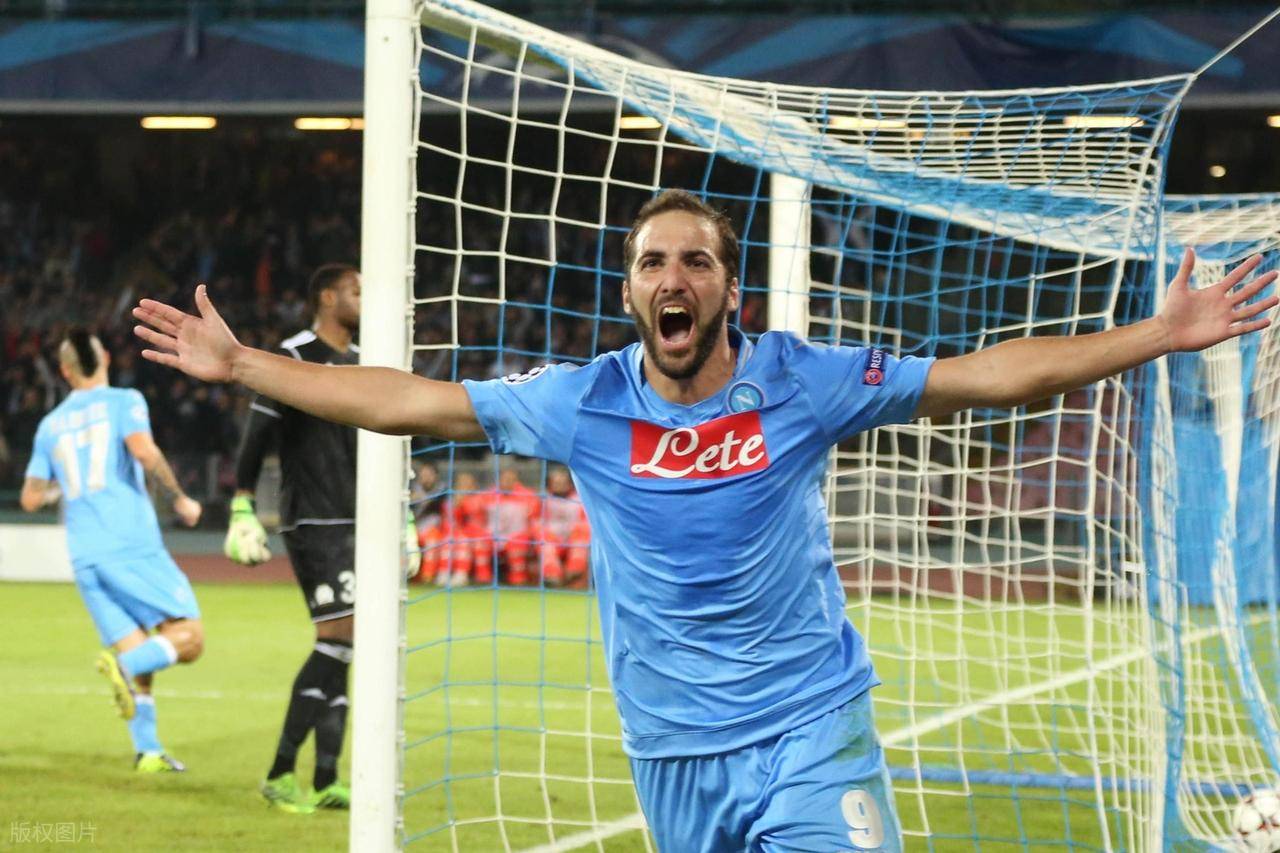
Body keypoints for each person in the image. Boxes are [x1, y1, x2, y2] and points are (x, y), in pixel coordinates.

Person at [132, 189, 1277, 850]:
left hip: (807, 724)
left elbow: (982, 377)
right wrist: (245, 366)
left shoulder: (802, 380)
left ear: (728, 287)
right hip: (671, 749)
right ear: (631, 290)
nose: (670, 276)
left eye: (693, 260)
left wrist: (1157, 333)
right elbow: (405, 401)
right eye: (650, 263)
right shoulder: (582, 401)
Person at [20, 328, 204, 774]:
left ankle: (149, 751)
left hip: (85, 556)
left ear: (65, 372)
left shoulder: (50, 425)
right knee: (189, 638)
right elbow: (143, 451)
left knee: (144, 642)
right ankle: (124, 667)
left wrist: (64, 487)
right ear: (104, 358)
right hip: (129, 543)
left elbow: (30, 498)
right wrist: (180, 499)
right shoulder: (125, 401)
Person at [223, 262, 362, 814]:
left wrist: (401, 519)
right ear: (327, 297)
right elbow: (257, 435)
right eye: (355, 290)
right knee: (340, 635)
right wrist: (242, 503)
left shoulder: (364, 361)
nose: (363, 299)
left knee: (346, 646)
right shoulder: (293, 356)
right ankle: (282, 772)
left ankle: (326, 777)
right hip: (314, 518)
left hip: (359, 519)